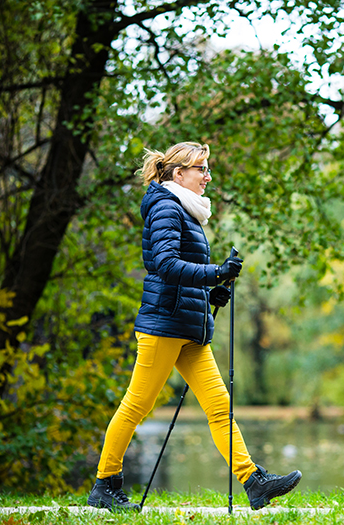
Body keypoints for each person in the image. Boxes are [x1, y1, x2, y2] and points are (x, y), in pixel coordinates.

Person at [87, 142, 301, 512]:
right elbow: (167, 266)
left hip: (188, 327)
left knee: (220, 407)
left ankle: (254, 482)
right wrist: (214, 273)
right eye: (201, 169)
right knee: (136, 407)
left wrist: (209, 294)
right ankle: (105, 485)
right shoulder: (166, 208)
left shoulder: (186, 212)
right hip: (163, 326)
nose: (208, 176)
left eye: (207, 169)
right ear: (177, 173)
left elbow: (182, 275)